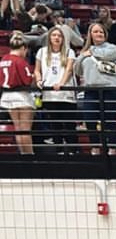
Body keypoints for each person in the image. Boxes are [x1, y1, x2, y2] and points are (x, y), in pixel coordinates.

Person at [77, 21, 116, 154]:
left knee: (109, 120)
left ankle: (112, 148)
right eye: (95, 31)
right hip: (91, 89)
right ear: (90, 34)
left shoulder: (111, 48)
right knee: (89, 119)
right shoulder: (84, 52)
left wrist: (89, 51)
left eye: (101, 32)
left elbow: (105, 55)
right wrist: (82, 55)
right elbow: (77, 68)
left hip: (110, 88)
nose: (99, 34)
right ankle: (95, 147)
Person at [34, 24, 77, 153]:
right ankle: (58, 149)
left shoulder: (69, 51)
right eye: (54, 35)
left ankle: (73, 150)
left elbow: (69, 70)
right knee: (55, 123)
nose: (57, 37)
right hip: (49, 93)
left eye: (59, 35)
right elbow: (37, 70)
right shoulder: (42, 51)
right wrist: (38, 80)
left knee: (69, 124)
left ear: (63, 38)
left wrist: (61, 84)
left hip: (66, 93)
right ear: (49, 37)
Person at [1, 33, 36, 154]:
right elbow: (27, 80)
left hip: (7, 97)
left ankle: (22, 156)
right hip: (21, 97)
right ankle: (30, 158)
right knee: (25, 130)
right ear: (23, 48)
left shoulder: (4, 59)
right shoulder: (21, 61)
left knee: (18, 129)